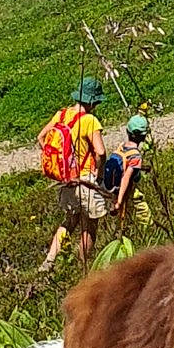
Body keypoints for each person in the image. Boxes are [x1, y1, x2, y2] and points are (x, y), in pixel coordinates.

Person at [38, 77, 109, 269]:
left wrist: (59, 164)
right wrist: (98, 173)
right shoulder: (90, 120)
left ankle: (49, 261)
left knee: (70, 221)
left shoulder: (61, 115)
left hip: (66, 179)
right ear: (92, 101)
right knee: (90, 225)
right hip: (85, 179)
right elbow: (101, 152)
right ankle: (81, 267)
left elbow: (41, 137)